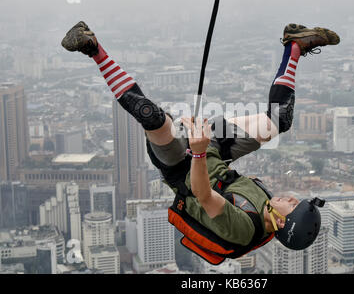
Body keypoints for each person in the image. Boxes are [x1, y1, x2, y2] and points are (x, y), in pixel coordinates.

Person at [61, 21, 339, 264]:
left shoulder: (244, 230)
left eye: (293, 205)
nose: (291, 198)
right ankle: (294, 46)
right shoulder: (268, 204)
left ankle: (92, 47)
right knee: (279, 120)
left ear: (282, 223)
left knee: (152, 117)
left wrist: (197, 151)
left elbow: (203, 195)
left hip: (183, 165)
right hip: (213, 150)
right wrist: (209, 148)